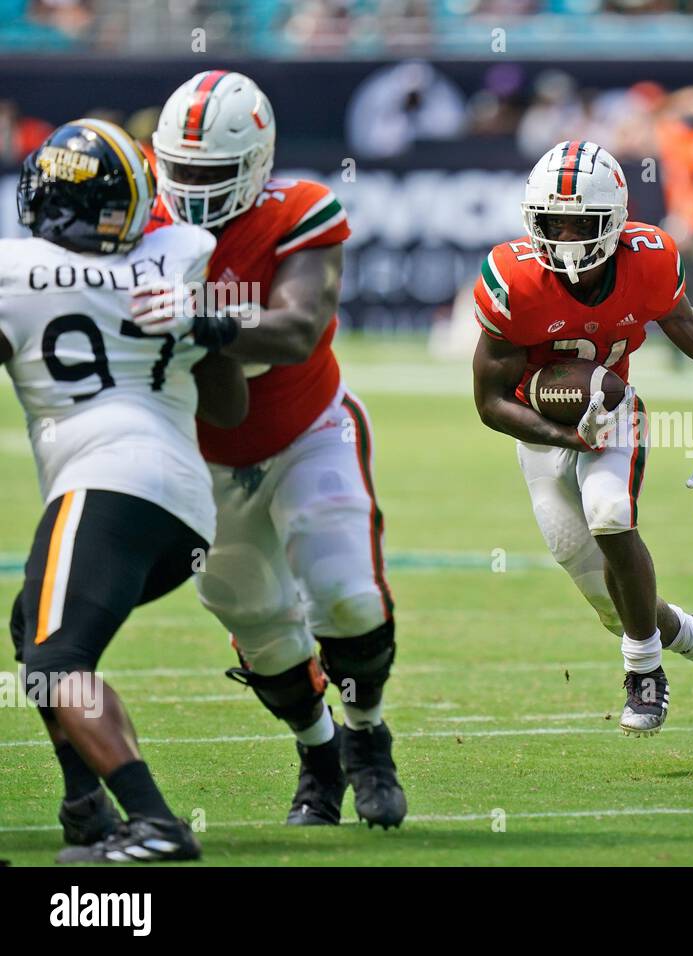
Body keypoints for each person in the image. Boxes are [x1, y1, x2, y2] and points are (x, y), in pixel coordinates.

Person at [148, 70, 407, 829]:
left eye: (212, 173)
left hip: (307, 431)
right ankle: (317, 753)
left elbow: (295, 328)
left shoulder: (298, 213)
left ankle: (367, 737)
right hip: (200, 457)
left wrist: (201, 322)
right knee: (254, 617)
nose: (192, 189)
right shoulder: (138, 215)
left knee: (348, 597)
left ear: (257, 166)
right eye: (182, 170)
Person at [3, 119, 247, 862]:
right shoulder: (175, 260)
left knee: (53, 661)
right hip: (181, 505)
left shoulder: (15, 275)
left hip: (107, 481)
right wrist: (207, 330)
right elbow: (230, 408)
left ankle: (154, 823)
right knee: (34, 631)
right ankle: (86, 808)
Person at [471, 140, 693, 736]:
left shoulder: (648, 262)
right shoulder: (514, 279)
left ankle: (644, 672)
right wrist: (565, 436)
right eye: (554, 223)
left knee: (610, 514)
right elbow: (490, 403)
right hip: (541, 434)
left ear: (616, 223)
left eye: (583, 224)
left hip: (613, 411)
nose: (567, 237)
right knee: (614, 606)